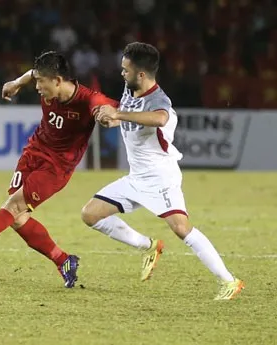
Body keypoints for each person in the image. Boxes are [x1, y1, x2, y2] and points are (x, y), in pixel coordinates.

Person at [0, 51, 119, 288]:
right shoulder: (45, 79)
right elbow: (31, 74)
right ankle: (64, 260)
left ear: (57, 81)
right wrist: (16, 83)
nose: (37, 87)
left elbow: (106, 108)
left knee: (11, 208)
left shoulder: (87, 99)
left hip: (55, 169)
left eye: (42, 83)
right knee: (17, 218)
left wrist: (107, 116)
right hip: (33, 152)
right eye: (37, 81)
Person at [84, 42, 244, 300]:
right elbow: (124, 121)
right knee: (91, 214)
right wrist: (109, 119)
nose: (122, 74)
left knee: (182, 229)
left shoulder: (159, 100)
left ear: (142, 74)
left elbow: (159, 119)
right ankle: (148, 246)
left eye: (126, 70)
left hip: (160, 178)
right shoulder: (129, 89)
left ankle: (230, 281)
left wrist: (120, 115)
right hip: (136, 177)